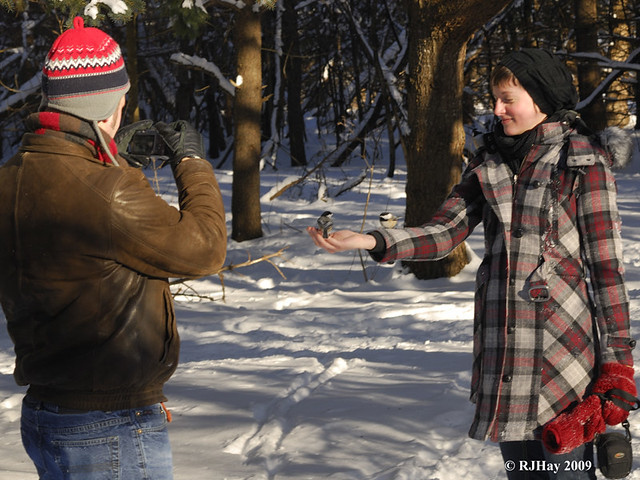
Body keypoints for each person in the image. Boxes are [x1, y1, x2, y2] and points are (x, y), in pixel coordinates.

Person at [308, 48, 636, 479]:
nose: (497, 109)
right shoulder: (490, 161)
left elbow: (606, 270)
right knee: (524, 473)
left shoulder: (583, 161)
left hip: (565, 363)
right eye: (495, 99)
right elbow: (444, 231)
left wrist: (617, 364)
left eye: (507, 99)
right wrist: (370, 239)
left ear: (540, 98)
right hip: (507, 359)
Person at [0, 17, 227, 479]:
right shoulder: (109, 191)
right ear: (106, 109)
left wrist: (110, 156)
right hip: (109, 424)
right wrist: (191, 161)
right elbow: (205, 248)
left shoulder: (12, 176)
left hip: (46, 415)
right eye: (122, 100)